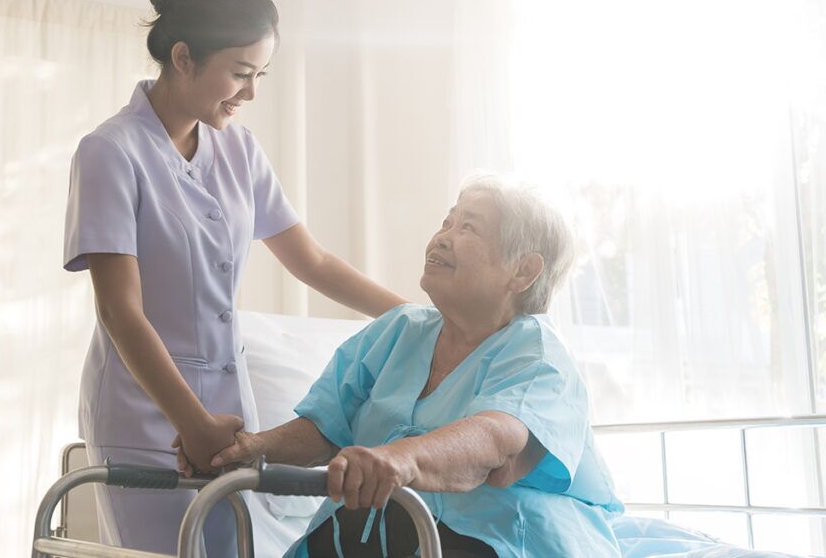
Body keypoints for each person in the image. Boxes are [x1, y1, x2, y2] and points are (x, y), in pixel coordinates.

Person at [62, 0, 405, 556]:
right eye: (240, 72)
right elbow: (121, 313)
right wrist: (190, 425)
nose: (249, 92)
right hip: (147, 414)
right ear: (184, 58)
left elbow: (312, 262)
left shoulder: (239, 150)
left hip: (229, 415)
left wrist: (417, 318)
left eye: (259, 76)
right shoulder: (110, 153)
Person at [210, 176, 624, 557]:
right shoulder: (398, 331)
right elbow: (326, 427)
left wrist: (401, 459)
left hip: (503, 540)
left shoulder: (538, 354)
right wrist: (251, 449)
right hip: (375, 533)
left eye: (468, 228)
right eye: (447, 222)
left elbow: (496, 439)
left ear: (523, 271)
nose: (442, 238)